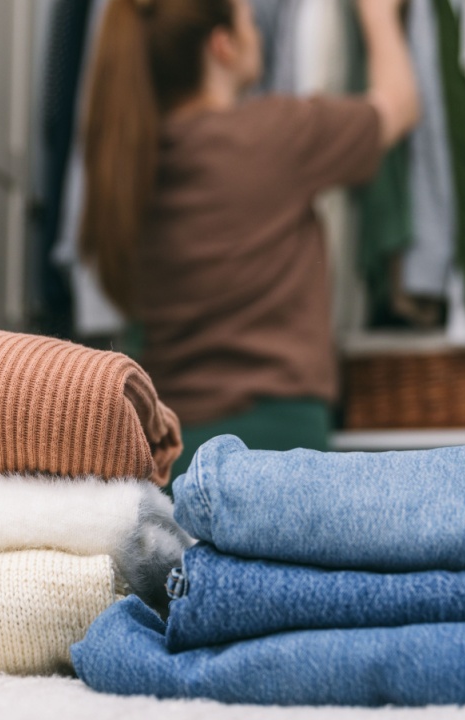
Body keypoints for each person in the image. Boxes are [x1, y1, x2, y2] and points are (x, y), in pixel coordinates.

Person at [81, 0, 419, 479]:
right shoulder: (277, 134)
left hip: (167, 454)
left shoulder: (126, 163)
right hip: (277, 450)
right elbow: (398, 105)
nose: (259, 33)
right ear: (222, 46)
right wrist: (379, 16)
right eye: (249, 21)